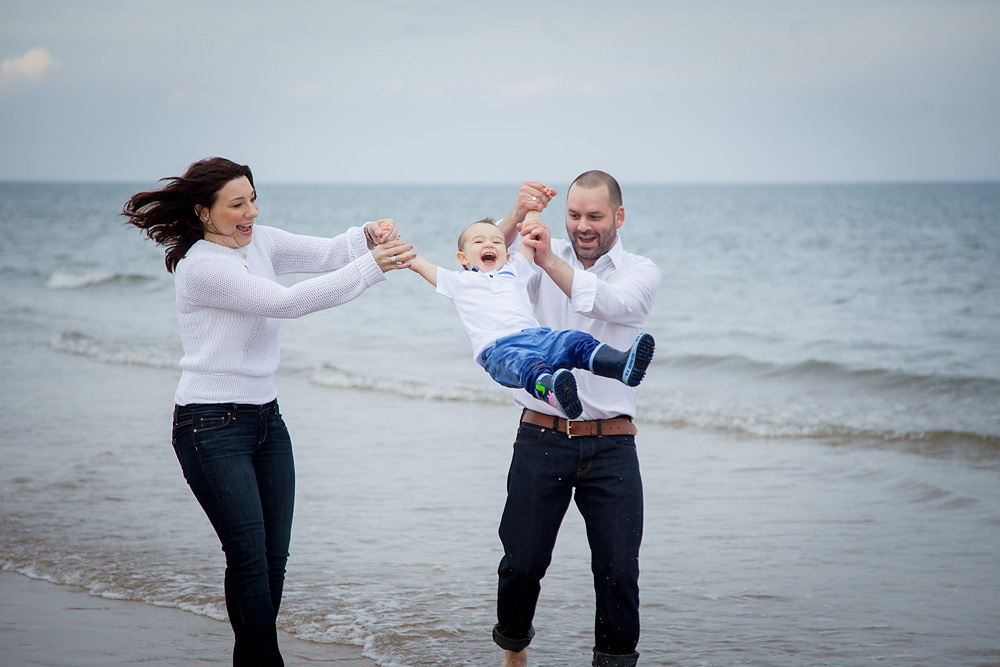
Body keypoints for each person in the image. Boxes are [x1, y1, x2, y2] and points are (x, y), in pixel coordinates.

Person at [121, 157, 414, 666]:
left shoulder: (261, 240)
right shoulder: (204, 267)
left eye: (253, 198)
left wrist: (366, 236)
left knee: (273, 560)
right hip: (208, 425)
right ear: (204, 213)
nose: (251, 212)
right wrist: (373, 267)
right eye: (237, 204)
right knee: (249, 559)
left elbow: (325, 253)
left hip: (266, 421)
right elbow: (286, 303)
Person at [491, 171, 661, 667]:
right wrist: (516, 218)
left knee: (618, 572)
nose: (582, 227)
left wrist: (546, 259)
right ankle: (514, 652)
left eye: (594, 217)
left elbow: (611, 305)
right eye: (573, 216)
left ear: (619, 217)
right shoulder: (537, 251)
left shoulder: (640, 270)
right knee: (521, 564)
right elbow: (487, 271)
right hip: (541, 434)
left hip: (612, 444)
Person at [407, 217, 655, 419]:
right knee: (528, 366)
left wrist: (533, 210)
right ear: (463, 258)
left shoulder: (514, 271)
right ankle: (555, 394)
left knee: (575, 340)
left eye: (497, 241)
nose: (489, 245)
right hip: (499, 350)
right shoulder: (458, 282)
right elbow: (422, 266)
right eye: (479, 241)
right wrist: (404, 254)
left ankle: (621, 366)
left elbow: (529, 239)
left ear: (506, 253)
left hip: (538, 337)